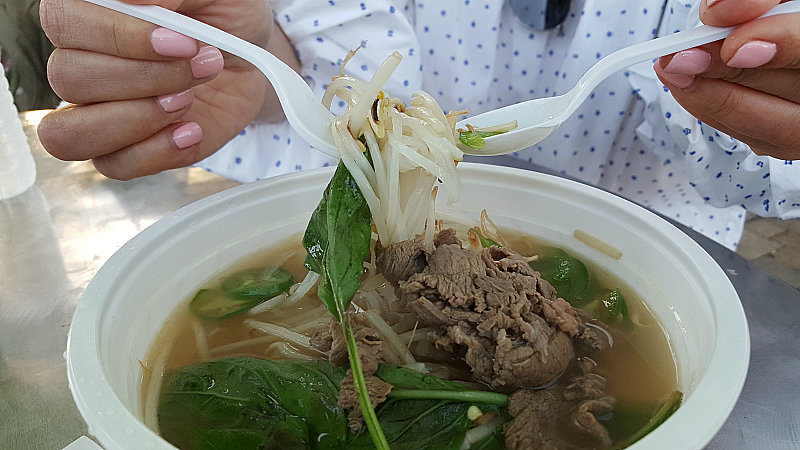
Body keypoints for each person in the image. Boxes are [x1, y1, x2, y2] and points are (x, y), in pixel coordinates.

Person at [37, 0, 800, 250]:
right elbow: (347, 77)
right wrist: (259, 59)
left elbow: (761, 161)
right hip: (348, 231)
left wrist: (762, 96)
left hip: (663, 243)